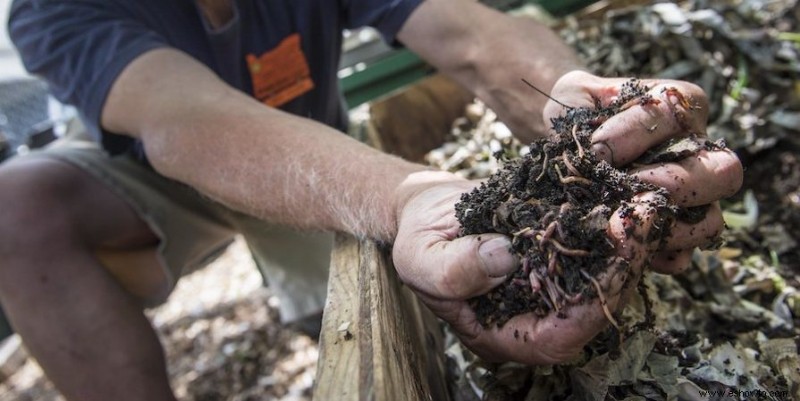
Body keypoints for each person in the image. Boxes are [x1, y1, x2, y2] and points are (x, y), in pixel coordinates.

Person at [0, 0, 742, 400]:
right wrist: (405, 196)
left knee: (346, 327)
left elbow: (467, 32)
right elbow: (184, 120)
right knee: (16, 207)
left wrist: (577, 102)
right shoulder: (51, 10)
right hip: (158, 180)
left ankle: (309, 303)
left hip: (313, 148)